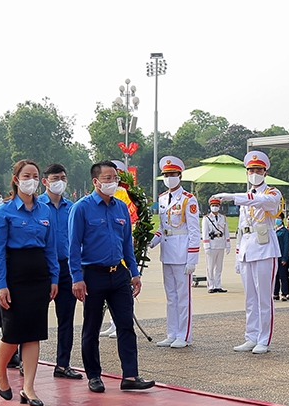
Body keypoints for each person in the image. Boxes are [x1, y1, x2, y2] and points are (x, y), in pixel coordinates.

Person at [68, 161, 155, 392]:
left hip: (119, 274)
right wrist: (77, 278)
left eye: (114, 178)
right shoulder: (82, 208)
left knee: (126, 325)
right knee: (92, 327)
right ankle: (94, 376)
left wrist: (134, 273)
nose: (112, 182)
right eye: (107, 178)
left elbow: (127, 243)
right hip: (92, 275)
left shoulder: (120, 207)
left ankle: (130, 375)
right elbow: (73, 246)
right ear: (95, 181)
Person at [0, 160, 61, 406]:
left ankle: (28, 388)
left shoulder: (44, 210)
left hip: (39, 274)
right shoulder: (5, 210)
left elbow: (51, 248)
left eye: (35, 175)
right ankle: (0, 371)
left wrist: (54, 278)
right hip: (14, 274)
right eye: (26, 175)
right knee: (13, 332)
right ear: (16, 179)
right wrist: (1, 283)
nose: (30, 180)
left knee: (34, 333)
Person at [210, 152, 282, 353]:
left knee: (264, 298)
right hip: (248, 249)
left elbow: (262, 202)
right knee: (250, 297)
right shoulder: (246, 196)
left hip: (265, 249)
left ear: (265, 172)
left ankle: (264, 339)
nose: (254, 173)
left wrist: (233, 197)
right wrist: (238, 254)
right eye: (250, 170)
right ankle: (251, 336)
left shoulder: (272, 193)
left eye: (258, 170)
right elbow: (242, 228)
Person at [150, 156, 201, 349]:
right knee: (171, 296)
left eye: (172, 174)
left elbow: (194, 230)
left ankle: (184, 335)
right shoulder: (162, 198)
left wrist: (192, 258)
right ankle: (172, 333)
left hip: (182, 252)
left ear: (180, 175)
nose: (169, 177)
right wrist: (151, 242)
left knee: (183, 296)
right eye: (166, 174)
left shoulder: (189, 199)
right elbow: (162, 227)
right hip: (167, 252)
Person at [38, 164, 82, 380]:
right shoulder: (36, 206)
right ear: (45, 181)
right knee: (33, 317)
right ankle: (23, 361)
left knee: (66, 317)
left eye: (63, 178)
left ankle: (63, 364)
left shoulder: (72, 208)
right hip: (42, 268)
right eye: (55, 178)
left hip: (66, 267)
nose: (60, 182)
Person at [202, 198, 229, 293]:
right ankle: (211, 286)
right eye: (213, 206)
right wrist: (206, 246)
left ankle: (218, 285)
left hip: (220, 244)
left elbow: (226, 232)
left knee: (219, 267)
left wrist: (228, 244)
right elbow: (205, 233)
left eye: (216, 206)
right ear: (210, 207)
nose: (215, 207)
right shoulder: (207, 218)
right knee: (210, 267)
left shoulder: (223, 218)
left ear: (219, 207)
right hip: (211, 244)